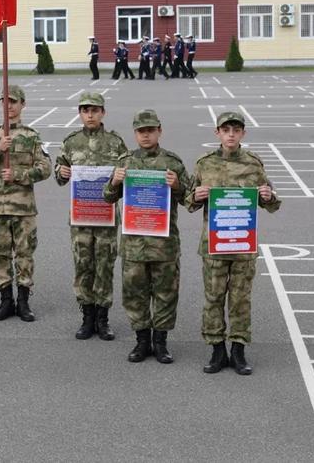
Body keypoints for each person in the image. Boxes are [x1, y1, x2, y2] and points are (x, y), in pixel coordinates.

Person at [186, 111, 281, 376]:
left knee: (240, 299)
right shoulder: (205, 164)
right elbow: (189, 203)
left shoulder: (253, 164)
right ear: (217, 133)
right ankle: (217, 349)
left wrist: (268, 195)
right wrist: (196, 195)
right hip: (214, 246)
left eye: (236, 130)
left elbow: (272, 204)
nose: (230, 134)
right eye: (225, 129)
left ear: (242, 134)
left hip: (242, 245)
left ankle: (238, 350)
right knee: (213, 298)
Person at [103, 110, 190, 364]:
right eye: (141, 131)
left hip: (164, 245)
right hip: (133, 245)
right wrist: (114, 182)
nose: (146, 135)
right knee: (134, 294)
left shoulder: (172, 162)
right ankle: (142, 341)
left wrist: (178, 186)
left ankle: (161, 342)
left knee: (166, 294)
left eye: (151, 130)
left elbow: (189, 200)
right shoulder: (125, 161)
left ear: (159, 131)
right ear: (135, 133)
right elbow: (107, 198)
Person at [0, 85, 51, 322]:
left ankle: (24, 301)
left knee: (24, 254)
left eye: (13, 102)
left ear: (22, 105)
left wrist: (18, 174)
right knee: (0, 253)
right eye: (4, 101)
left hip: (23, 207)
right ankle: (6, 300)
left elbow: (45, 168)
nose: (9, 106)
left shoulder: (31, 135)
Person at [54, 91, 128, 341]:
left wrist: (121, 179)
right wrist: (62, 173)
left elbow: (128, 173)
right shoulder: (71, 142)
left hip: (106, 217)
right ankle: (87, 317)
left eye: (95, 110)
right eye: (85, 110)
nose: (90, 115)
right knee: (83, 266)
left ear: (102, 113)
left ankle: (103, 318)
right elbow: (59, 172)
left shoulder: (116, 143)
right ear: (80, 113)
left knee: (105, 266)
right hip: (81, 218)